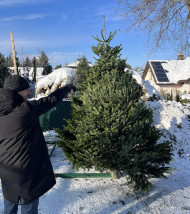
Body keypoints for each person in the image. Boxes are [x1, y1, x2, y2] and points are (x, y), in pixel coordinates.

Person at [0, 74, 76, 214]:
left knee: (9, 209)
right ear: (16, 92)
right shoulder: (25, 110)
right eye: (26, 90)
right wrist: (67, 88)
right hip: (28, 173)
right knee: (29, 210)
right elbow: (50, 100)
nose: (29, 93)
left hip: (7, 173)